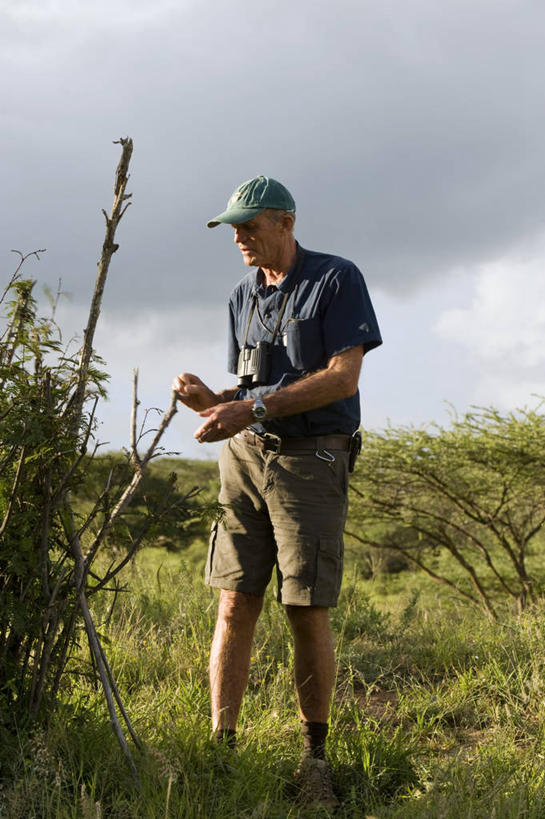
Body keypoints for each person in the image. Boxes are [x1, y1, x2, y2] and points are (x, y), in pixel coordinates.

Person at [172, 175, 382, 807]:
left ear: (286, 222)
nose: (240, 237)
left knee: (305, 607)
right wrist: (212, 401)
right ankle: (221, 751)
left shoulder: (336, 279)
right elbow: (249, 387)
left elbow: (342, 379)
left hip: (312, 458)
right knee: (234, 602)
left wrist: (252, 409)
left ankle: (315, 761)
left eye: (251, 226)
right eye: (234, 228)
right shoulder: (242, 294)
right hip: (244, 459)